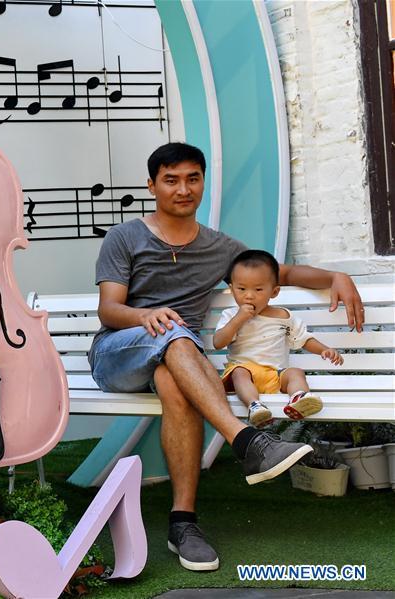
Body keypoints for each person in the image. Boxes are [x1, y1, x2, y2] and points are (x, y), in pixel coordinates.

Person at [87, 142, 364, 572]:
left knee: (173, 381)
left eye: (192, 178)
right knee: (178, 337)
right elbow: (109, 309)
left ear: (203, 182)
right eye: (171, 180)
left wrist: (336, 276)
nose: (184, 189)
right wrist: (147, 315)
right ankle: (247, 441)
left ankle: (183, 523)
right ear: (152, 185)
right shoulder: (125, 237)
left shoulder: (220, 248)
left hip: (177, 361)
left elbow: (280, 273)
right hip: (118, 352)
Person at [214, 249, 344, 428]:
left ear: (274, 292)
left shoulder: (283, 316)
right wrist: (238, 319)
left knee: (295, 372)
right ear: (232, 289)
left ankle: (299, 398)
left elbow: (303, 339)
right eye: (241, 289)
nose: (249, 295)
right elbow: (218, 342)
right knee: (238, 373)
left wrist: (324, 350)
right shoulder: (231, 315)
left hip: (275, 375)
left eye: (258, 289)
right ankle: (254, 406)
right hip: (245, 373)